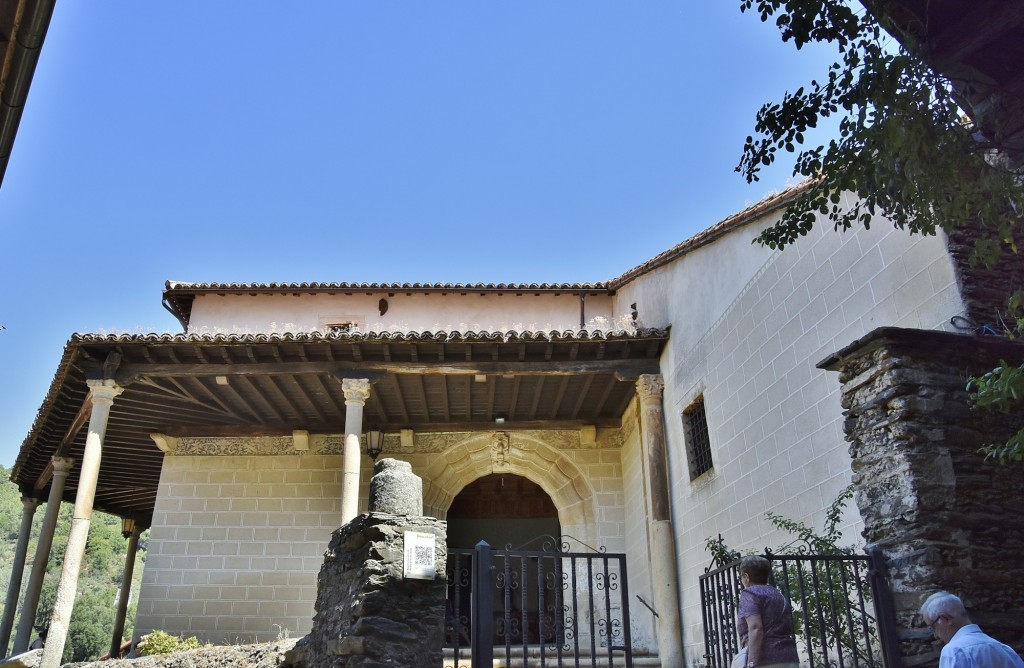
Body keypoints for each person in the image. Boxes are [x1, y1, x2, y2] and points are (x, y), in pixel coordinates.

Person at [920, 591, 1024, 667]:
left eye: (933, 627)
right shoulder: (1005, 650)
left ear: (946, 618)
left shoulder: (955, 651)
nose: (936, 635)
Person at [736, 555, 799, 668]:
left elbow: (755, 627)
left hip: (766, 660)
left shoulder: (750, 594)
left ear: (746, 577)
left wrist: (751, 663)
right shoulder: (778, 595)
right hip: (789, 657)